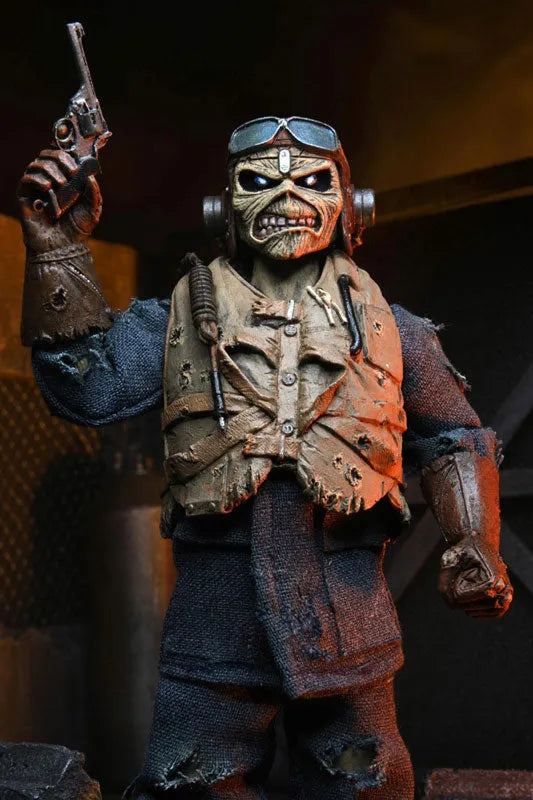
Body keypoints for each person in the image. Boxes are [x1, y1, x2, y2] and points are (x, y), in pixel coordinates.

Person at [18, 116, 513, 800]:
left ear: (350, 204)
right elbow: (85, 385)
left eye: (312, 182)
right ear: (223, 207)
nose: (287, 199)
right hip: (213, 641)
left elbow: (454, 436)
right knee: (191, 786)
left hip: (349, 633)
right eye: (258, 182)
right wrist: (55, 252)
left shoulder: (391, 330)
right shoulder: (176, 322)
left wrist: (472, 539)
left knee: (362, 786)